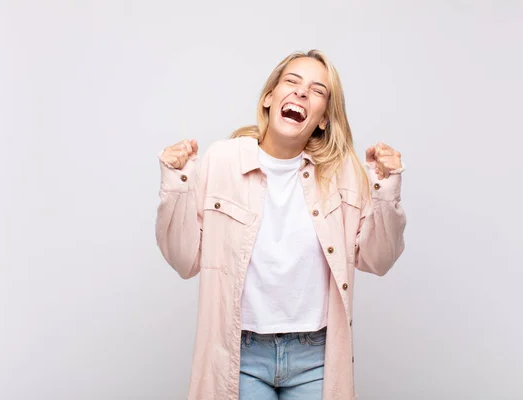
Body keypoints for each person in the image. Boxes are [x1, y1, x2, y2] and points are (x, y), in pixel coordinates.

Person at [156, 49, 406, 400]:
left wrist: (386, 188)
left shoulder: (344, 172)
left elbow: (377, 260)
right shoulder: (222, 160)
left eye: (318, 90)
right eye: (292, 81)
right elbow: (185, 261)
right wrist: (176, 183)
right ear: (269, 98)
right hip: (239, 354)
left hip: (316, 356)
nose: (302, 93)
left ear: (322, 118)